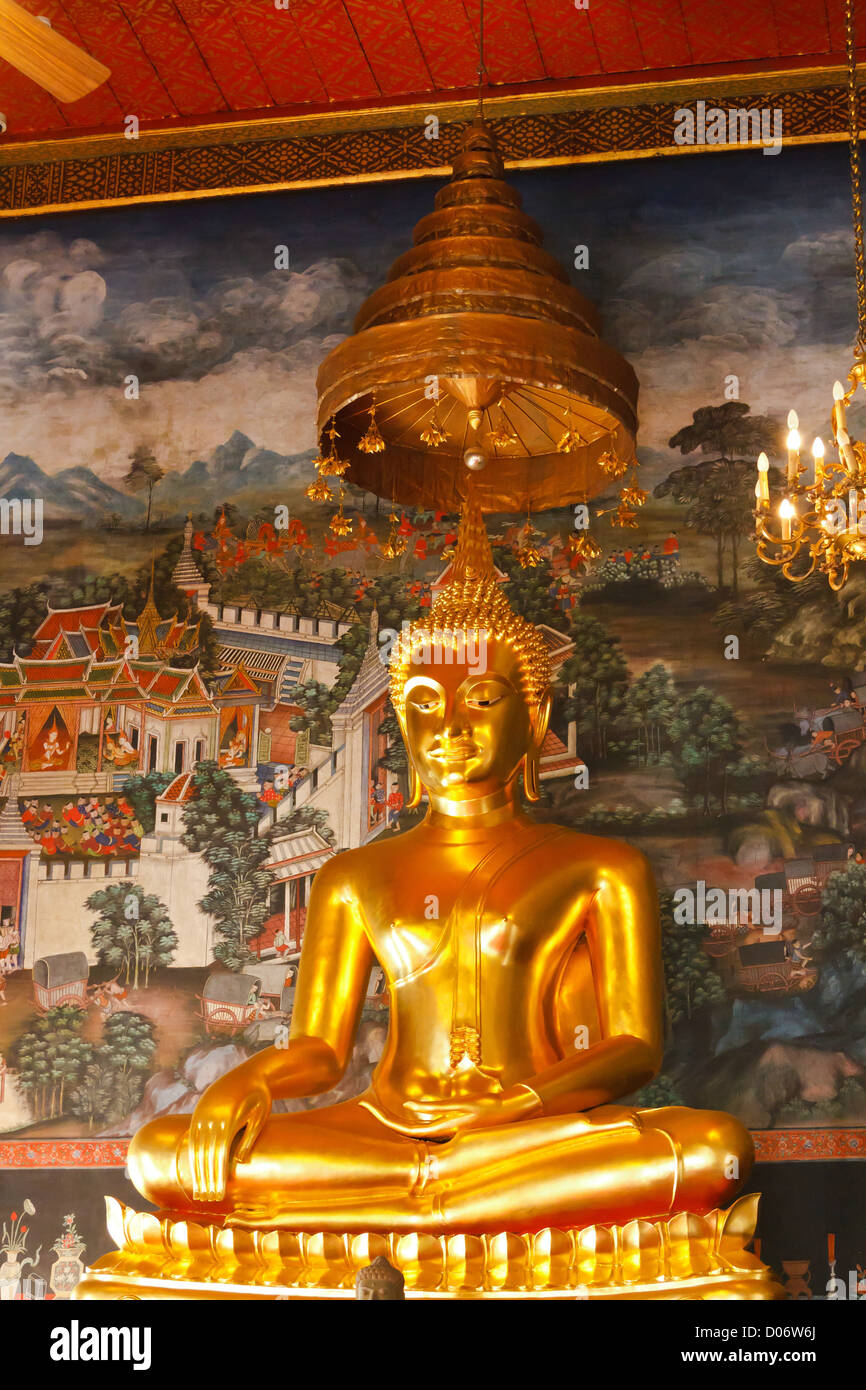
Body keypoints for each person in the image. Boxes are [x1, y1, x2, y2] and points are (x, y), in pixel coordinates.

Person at [128, 493, 753, 1247]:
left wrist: (517, 1104)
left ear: (535, 715)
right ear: (400, 720)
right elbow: (322, 1053)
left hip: (528, 1132)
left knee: (711, 1148)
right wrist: (245, 1081)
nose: (450, 727)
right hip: (386, 1126)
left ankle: (420, 1208)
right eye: (424, 703)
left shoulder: (600, 866)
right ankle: (446, 1201)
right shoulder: (355, 875)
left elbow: (632, 1050)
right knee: (158, 1156)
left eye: (482, 698)